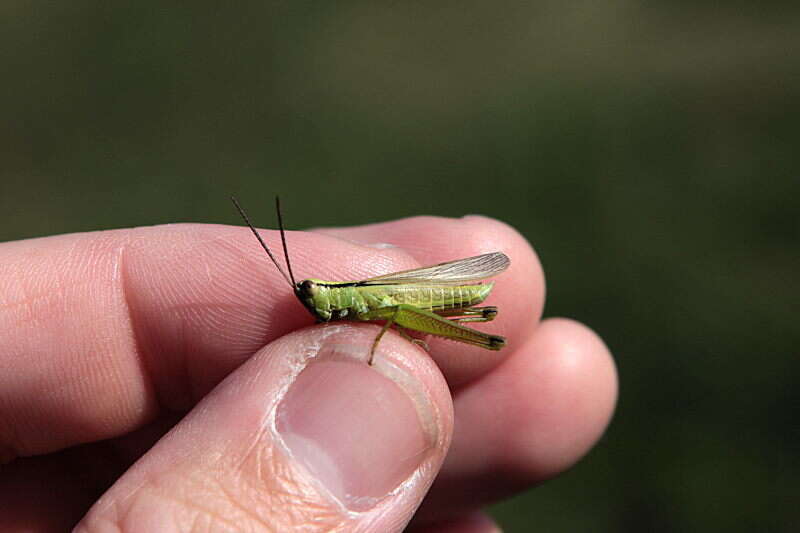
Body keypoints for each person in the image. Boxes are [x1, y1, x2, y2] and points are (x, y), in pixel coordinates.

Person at [0, 214, 617, 532]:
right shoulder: (326, 298)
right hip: (403, 307)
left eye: (318, 296)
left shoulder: (355, 294)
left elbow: (389, 308)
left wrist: (373, 349)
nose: (316, 303)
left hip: (423, 300)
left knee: (405, 312)